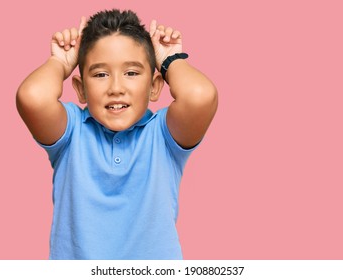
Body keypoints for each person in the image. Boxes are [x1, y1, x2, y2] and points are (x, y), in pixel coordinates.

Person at [16, 9, 218, 259]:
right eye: (100, 74)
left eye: (131, 73)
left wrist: (171, 59)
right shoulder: (71, 132)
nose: (116, 88)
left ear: (155, 87)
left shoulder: (164, 135)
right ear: (81, 90)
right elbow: (32, 98)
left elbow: (200, 96)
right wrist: (59, 62)